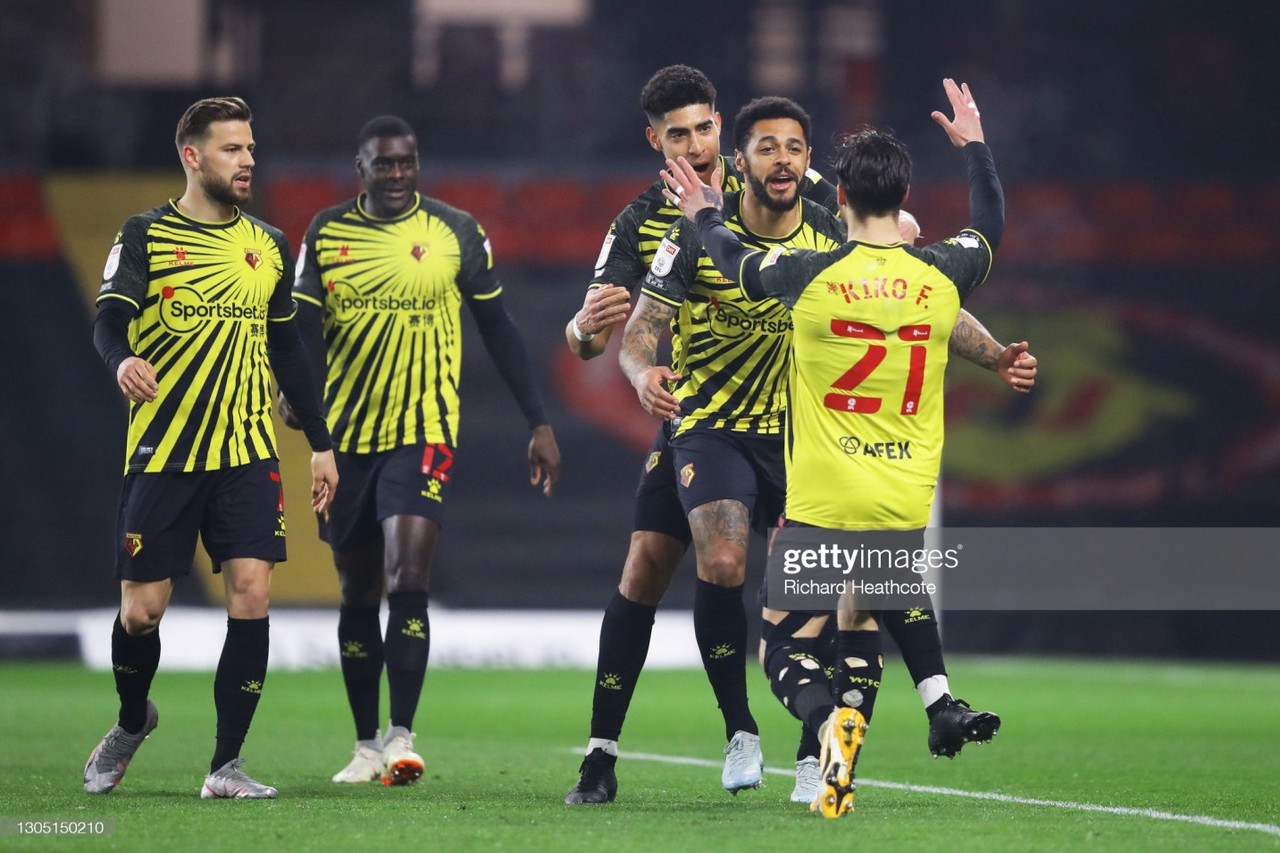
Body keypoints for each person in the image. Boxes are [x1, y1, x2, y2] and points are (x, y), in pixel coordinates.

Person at [565, 65, 1025, 806]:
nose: (697, 146)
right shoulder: (652, 222)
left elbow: (915, 289)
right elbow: (620, 335)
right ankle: (696, 735)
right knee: (680, 562)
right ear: (658, 141)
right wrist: (628, 364)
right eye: (678, 135)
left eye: (705, 129)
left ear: (727, 135)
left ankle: (819, 753)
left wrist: (995, 350)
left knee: (841, 600)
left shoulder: (815, 216)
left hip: (803, 434)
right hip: (707, 422)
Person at [280, 115, 561, 786]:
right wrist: (293, 394)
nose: (399, 175)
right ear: (362, 169)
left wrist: (538, 420)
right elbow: (302, 328)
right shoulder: (326, 232)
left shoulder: (455, 230)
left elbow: (498, 325)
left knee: (408, 576)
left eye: (408, 163)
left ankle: (402, 734)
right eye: (385, 165)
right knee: (356, 588)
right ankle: (363, 742)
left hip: (424, 431)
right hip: (346, 439)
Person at [84, 96, 339, 800]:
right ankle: (133, 720)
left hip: (247, 452)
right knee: (143, 611)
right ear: (193, 156)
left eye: (252, 147)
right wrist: (120, 362)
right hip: (164, 453)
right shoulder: (143, 235)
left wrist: (320, 445)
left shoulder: (269, 245)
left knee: (252, 595)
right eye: (232, 148)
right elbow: (110, 321)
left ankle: (225, 764)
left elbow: (287, 348)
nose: (248, 159)